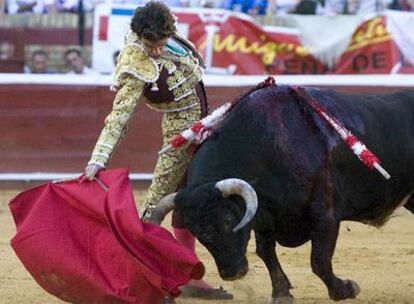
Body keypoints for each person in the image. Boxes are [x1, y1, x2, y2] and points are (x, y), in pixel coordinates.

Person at [84, 1, 233, 301]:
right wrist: (98, 159)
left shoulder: (172, 33)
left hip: (205, 127)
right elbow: (119, 117)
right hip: (179, 135)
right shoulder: (134, 61)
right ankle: (140, 276)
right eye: (150, 44)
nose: (154, 50)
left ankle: (189, 277)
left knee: (188, 198)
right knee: (155, 207)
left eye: (160, 43)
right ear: (139, 36)